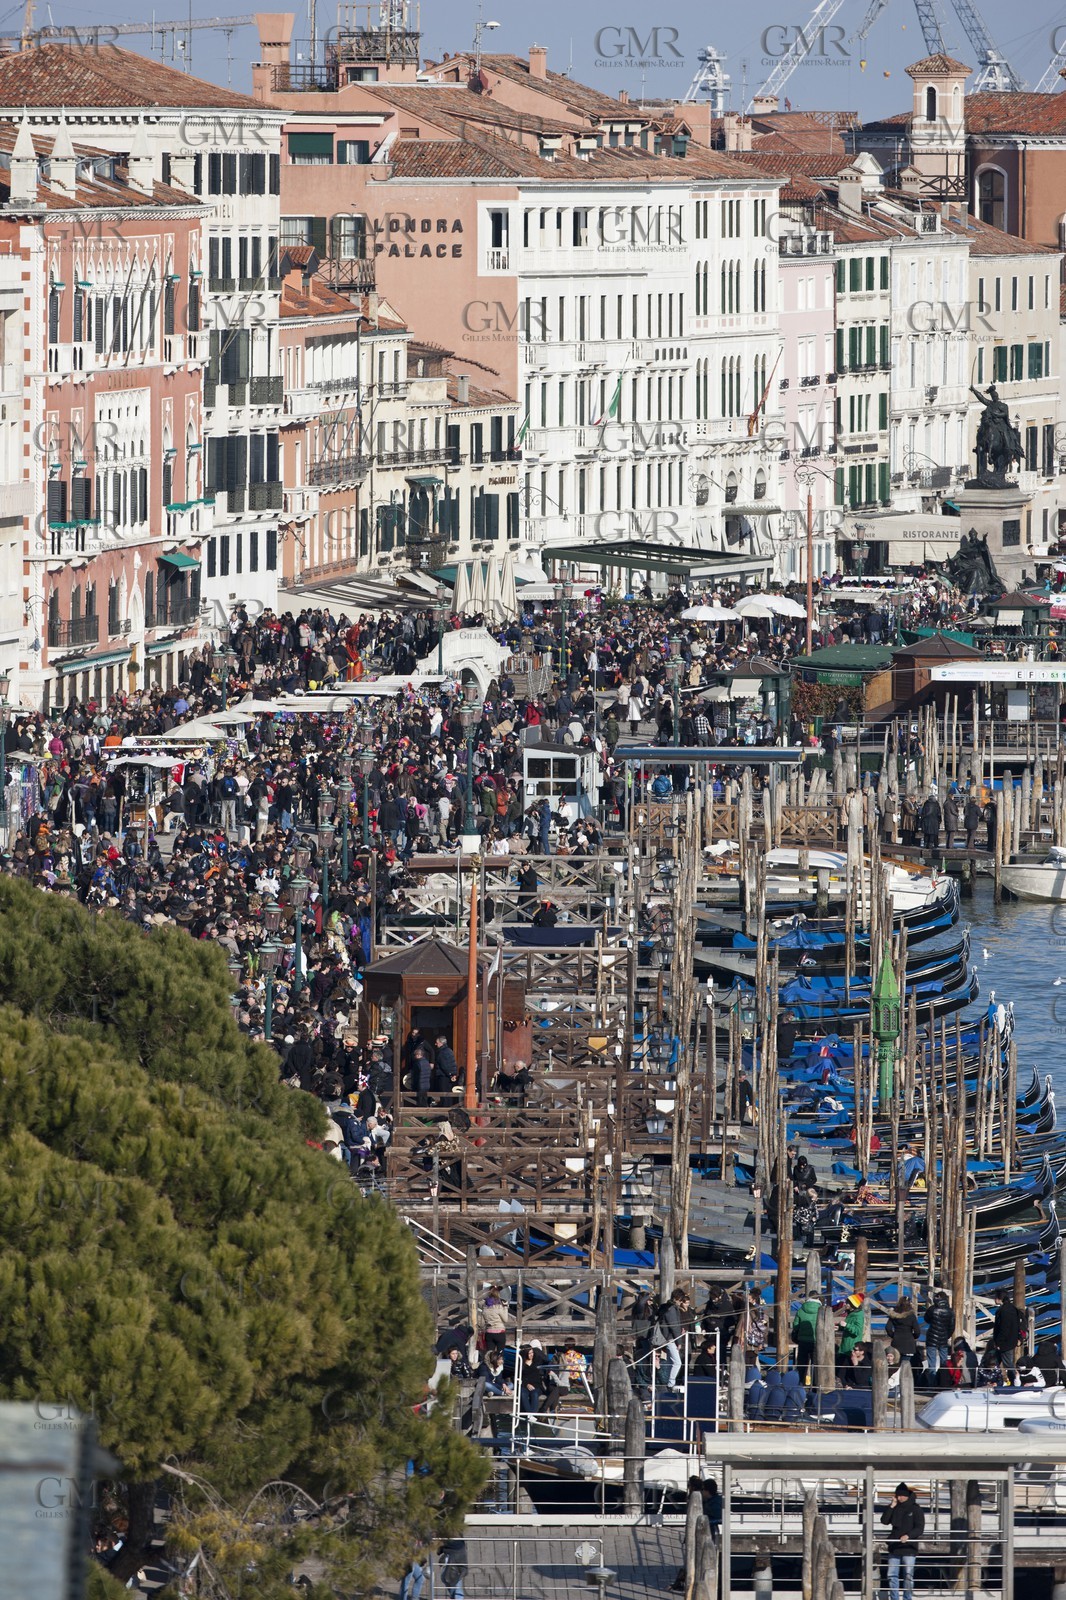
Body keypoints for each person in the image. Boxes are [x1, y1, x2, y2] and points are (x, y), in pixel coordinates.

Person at [880, 1482, 924, 1600]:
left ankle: (907, 1598)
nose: (899, 1498)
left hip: (909, 1548)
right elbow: (884, 1521)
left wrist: (908, 1536)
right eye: (897, 1495)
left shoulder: (916, 1509)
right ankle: (895, 1598)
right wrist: (891, 1506)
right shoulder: (895, 1507)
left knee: (908, 1576)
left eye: (901, 1495)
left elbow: (920, 1528)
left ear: (907, 1496)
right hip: (894, 1547)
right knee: (892, 1575)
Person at [991, 1288, 1023, 1381]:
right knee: (996, 1362)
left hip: (1005, 1342)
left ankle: (1015, 1381)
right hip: (1010, 1340)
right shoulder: (1012, 1308)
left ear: (999, 1298)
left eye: (995, 1297)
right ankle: (994, 1379)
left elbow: (1004, 1328)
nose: (994, 1299)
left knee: (1007, 1363)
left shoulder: (1004, 1310)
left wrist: (998, 1342)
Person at [923, 1289, 955, 1375]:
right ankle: (943, 1380)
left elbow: (926, 1319)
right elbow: (952, 1327)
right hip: (943, 1338)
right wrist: (947, 1335)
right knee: (944, 1362)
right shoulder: (950, 1311)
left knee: (931, 1362)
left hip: (931, 1338)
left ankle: (931, 1382)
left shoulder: (932, 1309)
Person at [791, 1294, 820, 1385]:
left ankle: (800, 1384)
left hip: (803, 1341)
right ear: (818, 1299)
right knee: (816, 1365)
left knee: (802, 1364)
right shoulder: (821, 1310)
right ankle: (815, 1385)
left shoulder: (801, 1310)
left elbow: (795, 1326)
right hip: (816, 1341)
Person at [887, 1297, 921, 1368]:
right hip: (908, 1343)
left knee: (895, 1366)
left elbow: (888, 1328)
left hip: (896, 1342)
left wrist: (894, 1335)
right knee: (905, 1367)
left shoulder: (893, 1314)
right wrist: (913, 1336)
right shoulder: (911, 1316)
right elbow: (917, 1331)